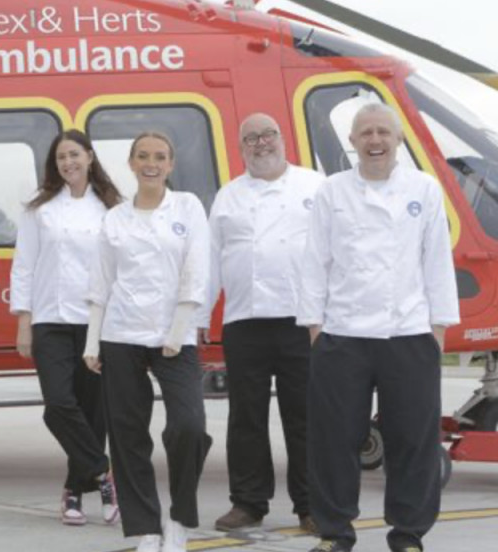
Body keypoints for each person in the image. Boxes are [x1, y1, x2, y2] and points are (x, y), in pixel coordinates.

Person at [297, 103, 459, 552]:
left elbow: (436, 261)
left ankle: (407, 535)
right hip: (342, 334)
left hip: (408, 333)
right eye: (365, 132)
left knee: (413, 440)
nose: (375, 140)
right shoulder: (332, 191)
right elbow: (315, 261)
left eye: (383, 132)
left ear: (398, 140)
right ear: (352, 141)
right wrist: (315, 326)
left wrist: (438, 328)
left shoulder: (423, 189)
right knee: (333, 441)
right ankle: (335, 533)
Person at [84, 131, 213, 552]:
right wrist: (92, 342)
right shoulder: (115, 218)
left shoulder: (188, 206)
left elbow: (196, 269)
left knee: (189, 427)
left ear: (171, 164)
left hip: (174, 337)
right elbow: (101, 283)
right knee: (126, 433)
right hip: (120, 334)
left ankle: (180, 518)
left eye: (159, 156)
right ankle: (147, 528)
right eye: (143, 156)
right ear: (132, 163)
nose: (151, 163)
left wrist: (179, 330)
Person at [198, 113, 321, 534]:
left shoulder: (314, 186)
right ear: (241, 148)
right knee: (246, 417)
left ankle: (311, 505)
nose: (261, 143)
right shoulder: (228, 197)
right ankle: (248, 503)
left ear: (282, 138)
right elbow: (212, 261)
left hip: (302, 321)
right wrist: (199, 315)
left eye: (268, 134)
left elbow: (335, 253)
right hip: (244, 321)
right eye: (251, 138)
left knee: (304, 416)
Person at [10, 130, 122, 526]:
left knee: (94, 414)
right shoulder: (39, 209)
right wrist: (23, 321)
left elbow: (121, 269)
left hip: (96, 322)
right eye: (61, 157)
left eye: (74, 154)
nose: (68, 163)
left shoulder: (112, 207)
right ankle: (104, 473)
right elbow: (23, 265)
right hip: (50, 319)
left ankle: (75, 492)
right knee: (58, 404)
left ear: (90, 157)